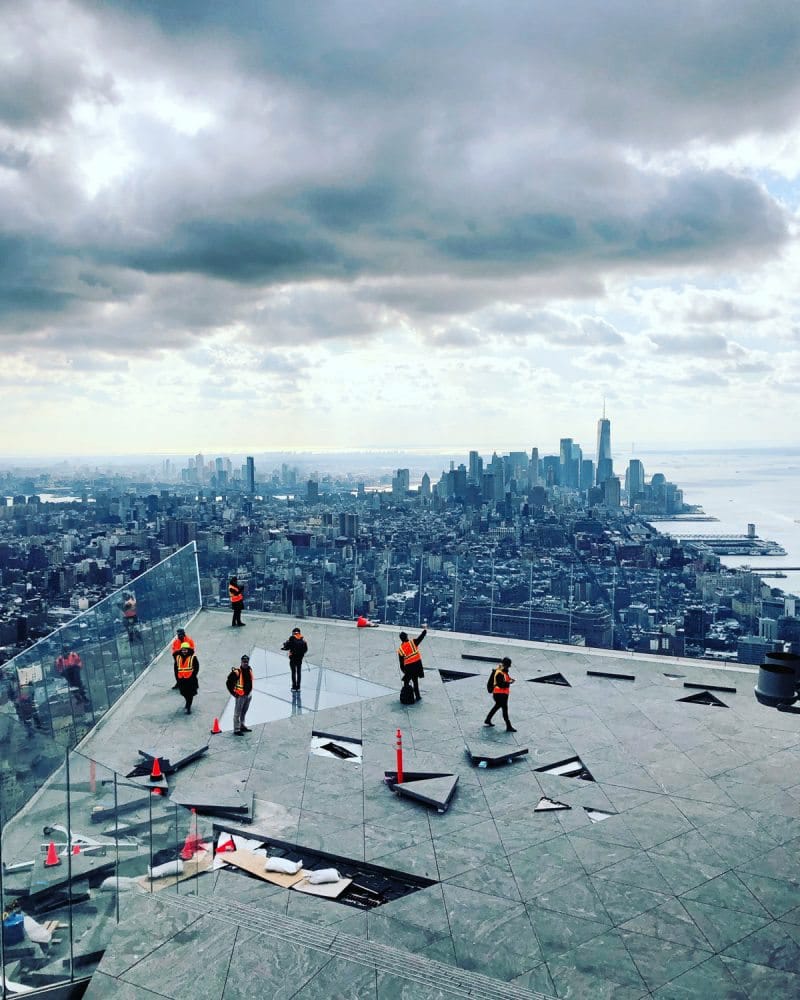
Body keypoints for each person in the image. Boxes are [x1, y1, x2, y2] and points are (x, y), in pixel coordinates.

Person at [484, 657, 517, 732]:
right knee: (504, 709)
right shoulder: (500, 672)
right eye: (508, 665)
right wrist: (509, 683)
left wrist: (510, 680)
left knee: (497, 706)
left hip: (501, 694)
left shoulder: (502, 670)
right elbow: (500, 684)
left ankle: (488, 719)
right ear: (506, 665)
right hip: (500, 694)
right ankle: (508, 726)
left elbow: (504, 679)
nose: (509, 667)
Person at [397, 626, 427, 702]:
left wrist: (404, 672)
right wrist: (425, 630)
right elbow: (421, 637)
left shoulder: (400, 649)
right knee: (415, 681)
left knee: (406, 681)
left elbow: (401, 663)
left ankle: (406, 696)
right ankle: (418, 696)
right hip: (417, 665)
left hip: (409, 668)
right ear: (407, 637)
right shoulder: (413, 643)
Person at [226, 654, 253, 735]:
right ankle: (236, 729)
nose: (245, 663)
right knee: (237, 713)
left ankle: (242, 726)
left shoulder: (249, 670)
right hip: (240, 696)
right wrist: (234, 693)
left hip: (248, 695)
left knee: (244, 712)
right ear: (241, 662)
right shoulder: (237, 672)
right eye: (244, 662)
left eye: (246, 662)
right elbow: (228, 683)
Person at [174, 642, 199, 714]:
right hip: (181, 679)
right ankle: (187, 703)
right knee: (184, 693)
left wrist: (193, 675)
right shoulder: (178, 657)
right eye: (183, 650)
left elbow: (196, 667)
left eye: (185, 650)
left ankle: (188, 707)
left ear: (188, 650)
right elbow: (176, 668)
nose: (184, 651)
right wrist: (177, 679)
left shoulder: (193, 657)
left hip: (190, 680)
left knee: (190, 694)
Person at [281, 627, 308, 692]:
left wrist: (285, 645)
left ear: (293, 633)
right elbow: (306, 649)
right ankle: (298, 688)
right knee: (299, 672)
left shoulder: (292, 638)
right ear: (299, 633)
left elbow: (287, 647)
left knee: (293, 672)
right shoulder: (303, 640)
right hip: (299, 659)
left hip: (293, 658)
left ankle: (294, 687)